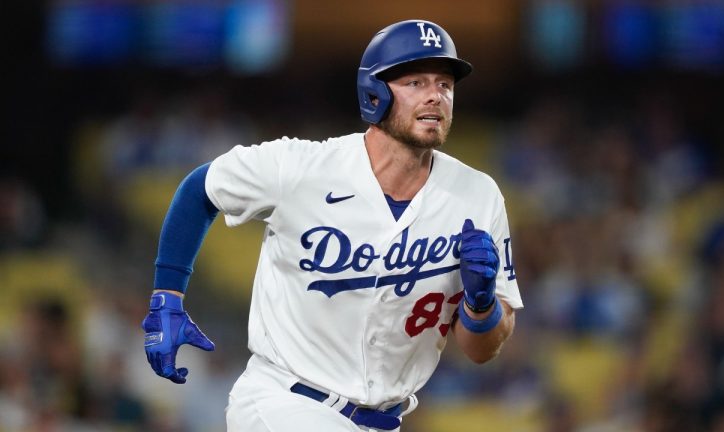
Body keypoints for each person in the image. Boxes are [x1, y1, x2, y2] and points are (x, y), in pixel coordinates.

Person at [141, 19, 524, 431]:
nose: (435, 96)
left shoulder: (477, 196)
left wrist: (480, 306)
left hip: (384, 421)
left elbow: (482, 350)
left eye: (444, 84)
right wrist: (168, 294)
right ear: (374, 93)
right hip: (282, 403)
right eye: (415, 82)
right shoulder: (303, 167)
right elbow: (202, 187)